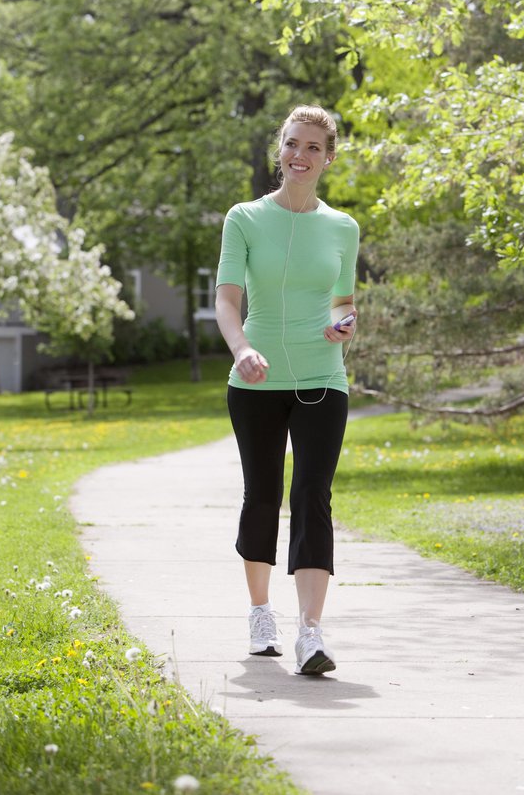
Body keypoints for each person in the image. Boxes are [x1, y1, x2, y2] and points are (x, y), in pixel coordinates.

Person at [215, 104, 359, 675]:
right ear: (280, 149)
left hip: (324, 376)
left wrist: (343, 324)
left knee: (313, 498)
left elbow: (344, 304)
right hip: (255, 380)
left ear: (327, 158)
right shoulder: (245, 218)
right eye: (292, 144)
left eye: (313, 148)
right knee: (262, 493)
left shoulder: (343, 227)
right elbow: (227, 302)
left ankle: (311, 634)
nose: (300, 155)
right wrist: (242, 348)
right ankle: (260, 614)